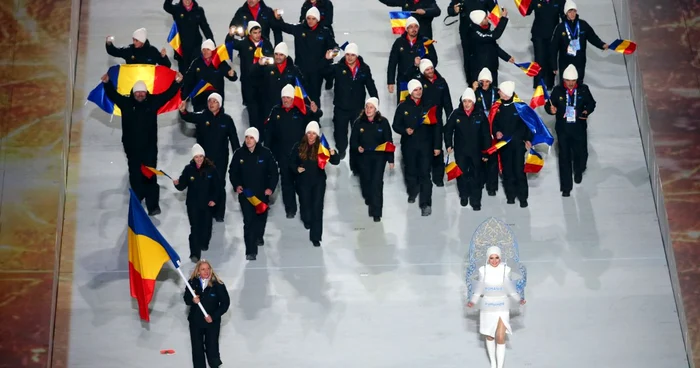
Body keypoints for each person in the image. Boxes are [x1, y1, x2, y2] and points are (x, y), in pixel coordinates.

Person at [100, 73, 183, 216]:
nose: (140, 94)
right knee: (135, 174)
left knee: (150, 174)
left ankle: (153, 205)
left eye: (142, 92)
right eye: (137, 92)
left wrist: (177, 82)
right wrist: (107, 83)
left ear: (146, 92)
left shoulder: (153, 102)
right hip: (131, 148)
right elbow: (113, 95)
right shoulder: (125, 103)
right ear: (133, 92)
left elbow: (167, 95)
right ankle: (137, 201)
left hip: (149, 148)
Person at [179, 93, 240, 222]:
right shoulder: (202, 117)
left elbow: (234, 140)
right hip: (203, 161)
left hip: (221, 159)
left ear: (220, 104)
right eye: (210, 101)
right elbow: (189, 117)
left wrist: (239, 157)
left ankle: (219, 213)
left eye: (215, 101)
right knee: (204, 184)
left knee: (219, 184)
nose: (211, 103)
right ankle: (205, 211)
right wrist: (183, 111)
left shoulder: (227, 120)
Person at [265, 84, 323, 218]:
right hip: (282, 154)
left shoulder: (302, 110)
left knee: (302, 183)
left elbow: (315, 120)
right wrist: (267, 151)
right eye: (284, 97)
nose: (285, 100)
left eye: (288, 98)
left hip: (301, 155)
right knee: (286, 182)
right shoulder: (276, 111)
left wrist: (316, 111)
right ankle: (290, 208)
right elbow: (269, 132)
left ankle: (306, 211)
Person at [467, 245, 526, 368]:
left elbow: (510, 288)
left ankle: (500, 366)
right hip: (488, 306)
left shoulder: (506, 269)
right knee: (489, 335)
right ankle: (493, 363)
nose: (494, 260)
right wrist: (473, 301)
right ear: (488, 258)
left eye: (497, 257)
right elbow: (479, 288)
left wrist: (519, 299)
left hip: (502, 306)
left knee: (500, 336)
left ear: (500, 257)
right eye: (491, 258)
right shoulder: (483, 270)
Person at [321, 42, 379, 165]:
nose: (350, 57)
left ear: (357, 56)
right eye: (347, 54)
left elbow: (370, 85)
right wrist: (326, 60)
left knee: (358, 135)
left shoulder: (364, 68)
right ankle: (341, 150)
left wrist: (375, 102)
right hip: (341, 108)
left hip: (358, 109)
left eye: (352, 55)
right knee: (340, 135)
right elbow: (324, 72)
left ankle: (356, 159)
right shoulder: (338, 67)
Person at [392, 79, 441, 216]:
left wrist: (437, 146)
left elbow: (437, 127)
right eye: (415, 90)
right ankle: (412, 191)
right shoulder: (403, 107)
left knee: (425, 174)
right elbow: (395, 125)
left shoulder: (429, 105)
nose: (418, 92)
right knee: (411, 171)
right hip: (409, 146)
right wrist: (404, 130)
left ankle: (426, 204)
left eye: (420, 89)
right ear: (410, 91)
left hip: (426, 145)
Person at [545, 64, 596, 196]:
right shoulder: (557, 91)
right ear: (564, 80)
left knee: (581, 154)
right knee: (564, 157)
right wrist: (550, 110)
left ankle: (579, 170)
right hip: (563, 129)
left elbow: (592, 103)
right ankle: (566, 187)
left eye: (573, 81)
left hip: (579, 128)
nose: (571, 84)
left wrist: (586, 111)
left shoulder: (584, 90)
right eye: (568, 81)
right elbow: (548, 104)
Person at [272, 7, 337, 108]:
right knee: (300, 96)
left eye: (313, 19)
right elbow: (284, 26)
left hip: (317, 72)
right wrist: (278, 18)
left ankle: (315, 121)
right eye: (308, 18)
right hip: (301, 72)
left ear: (318, 19)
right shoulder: (299, 29)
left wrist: (331, 54)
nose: (310, 21)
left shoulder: (324, 32)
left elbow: (336, 48)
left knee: (315, 98)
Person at [229, 127, 279, 261]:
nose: (248, 140)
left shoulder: (265, 153)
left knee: (260, 219)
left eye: (251, 137)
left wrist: (270, 188)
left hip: (261, 194)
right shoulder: (239, 154)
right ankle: (250, 251)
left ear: (256, 139)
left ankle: (259, 236)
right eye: (246, 137)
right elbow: (233, 172)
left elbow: (274, 172)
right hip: (246, 194)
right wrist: (237, 185)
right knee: (248, 221)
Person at [290, 121, 340, 247]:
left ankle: (316, 236)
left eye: (314, 133)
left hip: (318, 182)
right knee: (305, 206)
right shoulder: (298, 146)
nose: (311, 136)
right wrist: (296, 169)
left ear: (317, 135)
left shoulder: (322, 147)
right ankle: (306, 219)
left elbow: (335, 161)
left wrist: (333, 154)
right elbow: (290, 162)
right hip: (303, 182)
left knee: (317, 208)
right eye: (309, 133)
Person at [408, 59, 453, 186]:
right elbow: (407, 77)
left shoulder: (441, 82)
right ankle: (423, 175)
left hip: (437, 120)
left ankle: (438, 177)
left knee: (437, 147)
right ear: (423, 71)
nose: (430, 71)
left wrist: (449, 119)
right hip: (423, 121)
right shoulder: (419, 83)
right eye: (427, 70)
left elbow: (447, 102)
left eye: (431, 68)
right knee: (424, 148)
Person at [444, 88, 491, 210]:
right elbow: (448, 130)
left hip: (477, 151)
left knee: (476, 175)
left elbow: (486, 134)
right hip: (461, 152)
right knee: (462, 175)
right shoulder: (456, 114)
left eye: (469, 101)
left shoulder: (480, 115)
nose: (466, 104)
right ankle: (464, 196)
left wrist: (486, 152)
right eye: (464, 101)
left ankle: (476, 200)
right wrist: (448, 144)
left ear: (473, 102)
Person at [350, 97, 394, 222]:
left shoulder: (383, 123)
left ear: (376, 109)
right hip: (363, 158)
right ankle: (368, 197)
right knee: (366, 182)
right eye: (367, 107)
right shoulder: (359, 123)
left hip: (379, 158)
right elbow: (353, 141)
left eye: (371, 107)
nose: (368, 110)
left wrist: (391, 160)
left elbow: (388, 142)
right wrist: (357, 147)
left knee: (377, 183)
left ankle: (376, 212)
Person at [174, 144, 219, 262]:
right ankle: (194, 253)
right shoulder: (188, 170)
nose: (199, 159)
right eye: (196, 157)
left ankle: (204, 242)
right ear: (193, 158)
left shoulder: (211, 169)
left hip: (207, 204)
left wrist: (214, 199)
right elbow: (182, 186)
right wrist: (177, 183)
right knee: (195, 228)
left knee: (206, 226)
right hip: (193, 204)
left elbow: (217, 187)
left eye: (200, 156)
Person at [491, 81, 533, 208]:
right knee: (507, 171)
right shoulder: (497, 106)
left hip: (518, 146)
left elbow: (529, 124)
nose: (498, 92)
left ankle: (523, 197)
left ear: (507, 93)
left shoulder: (520, 106)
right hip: (504, 146)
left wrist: (528, 139)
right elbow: (493, 123)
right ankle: (510, 196)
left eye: (500, 91)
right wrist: (496, 131)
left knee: (519, 171)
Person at [226, 21, 274, 130]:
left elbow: (272, 60)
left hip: (263, 83)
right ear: (249, 33)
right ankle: (255, 134)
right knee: (253, 112)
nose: (258, 35)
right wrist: (230, 34)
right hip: (249, 84)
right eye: (255, 33)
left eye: (259, 32)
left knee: (264, 111)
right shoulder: (244, 44)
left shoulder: (266, 43)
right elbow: (229, 43)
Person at [184, 259, 230, 368]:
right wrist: (192, 300)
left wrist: (213, 316)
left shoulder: (218, 284)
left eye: (208, 268)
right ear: (198, 271)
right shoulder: (191, 283)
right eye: (203, 269)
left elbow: (225, 303)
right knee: (197, 348)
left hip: (211, 323)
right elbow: (186, 299)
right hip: (196, 322)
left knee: (212, 347)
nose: (206, 271)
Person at [550, 0, 607, 85]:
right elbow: (554, 48)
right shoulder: (560, 28)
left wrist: (602, 45)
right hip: (565, 61)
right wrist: (554, 66)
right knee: (565, 84)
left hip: (579, 60)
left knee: (579, 83)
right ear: (566, 13)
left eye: (574, 11)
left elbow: (593, 37)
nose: (572, 14)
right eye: (570, 11)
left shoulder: (583, 25)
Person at [387, 16, 438, 105]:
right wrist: (390, 81)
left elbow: (434, 60)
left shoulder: (425, 42)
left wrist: (423, 65)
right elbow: (392, 63)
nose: (414, 29)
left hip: (421, 80)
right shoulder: (399, 42)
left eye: (416, 26)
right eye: (411, 27)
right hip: (404, 81)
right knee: (404, 108)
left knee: (423, 108)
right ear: (406, 29)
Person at [250, 42, 305, 123]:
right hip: (267, 106)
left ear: (285, 56)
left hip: (286, 108)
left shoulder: (294, 70)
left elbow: (301, 88)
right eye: (276, 54)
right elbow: (251, 75)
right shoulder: (266, 67)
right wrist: (258, 65)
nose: (278, 57)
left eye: (281, 55)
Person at [181, 39, 238, 112]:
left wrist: (232, 75)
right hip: (199, 100)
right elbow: (189, 80)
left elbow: (232, 77)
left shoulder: (219, 62)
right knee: (200, 122)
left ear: (213, 51)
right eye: (203, 49)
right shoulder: (196, 63)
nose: (205, 52)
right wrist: (184, 97)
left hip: (215, 100)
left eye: (208, 49)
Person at [447, 0, 495, 83]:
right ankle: (471, 83)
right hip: (466, 33)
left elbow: (494, 11)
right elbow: (450, 10)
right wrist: (454, 10)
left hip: (483, 32)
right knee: (469, 57)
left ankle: (487, 82)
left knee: (485, 57)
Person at [163, 0, 215, 73]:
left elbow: (205, 27)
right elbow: (166, 7)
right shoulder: (177, 9)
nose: (187, 1)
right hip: (181, 46)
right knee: (183, 71)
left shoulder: (198, 10)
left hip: (195, 45)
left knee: (196, 69)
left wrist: (211, 42)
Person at [524, 0, 566, 90]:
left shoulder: (560, 1)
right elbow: (526, 11)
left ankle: (550, 85)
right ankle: (538, 86)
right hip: (538, 36)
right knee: (539, 60)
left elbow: (564, 17)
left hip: (553, 35)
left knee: (551, 59)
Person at [467, 9, 514, 86]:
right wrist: (503, 18)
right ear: (479, 21)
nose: (488, 18)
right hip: (480, 70)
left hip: (492, 68)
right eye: (485, 17)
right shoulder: (474, 33)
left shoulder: (485, 30)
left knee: (494, 92)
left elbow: (494, 47)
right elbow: (495, 35)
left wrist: (507, 57)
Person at [472, 68, 500, 196]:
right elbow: (463, 101)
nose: (485, 84)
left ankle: (492, 186)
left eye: (487, 81)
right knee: (480, 158)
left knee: (493, 159)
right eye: (482, 81)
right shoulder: (475, 92)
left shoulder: (497, 92)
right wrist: (472, 89)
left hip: (494, 129)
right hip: (479, 130)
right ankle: (480, 182)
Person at [105, 28, 171, 67]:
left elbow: (167, 65)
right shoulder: (129, 50)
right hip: (132, 81)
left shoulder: (152, 51)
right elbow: (114, 51)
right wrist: (109, 44)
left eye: (136, 40)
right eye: (133, 40)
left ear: (142, 41)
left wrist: (163, 57)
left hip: (148, 83)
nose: (134, 42)